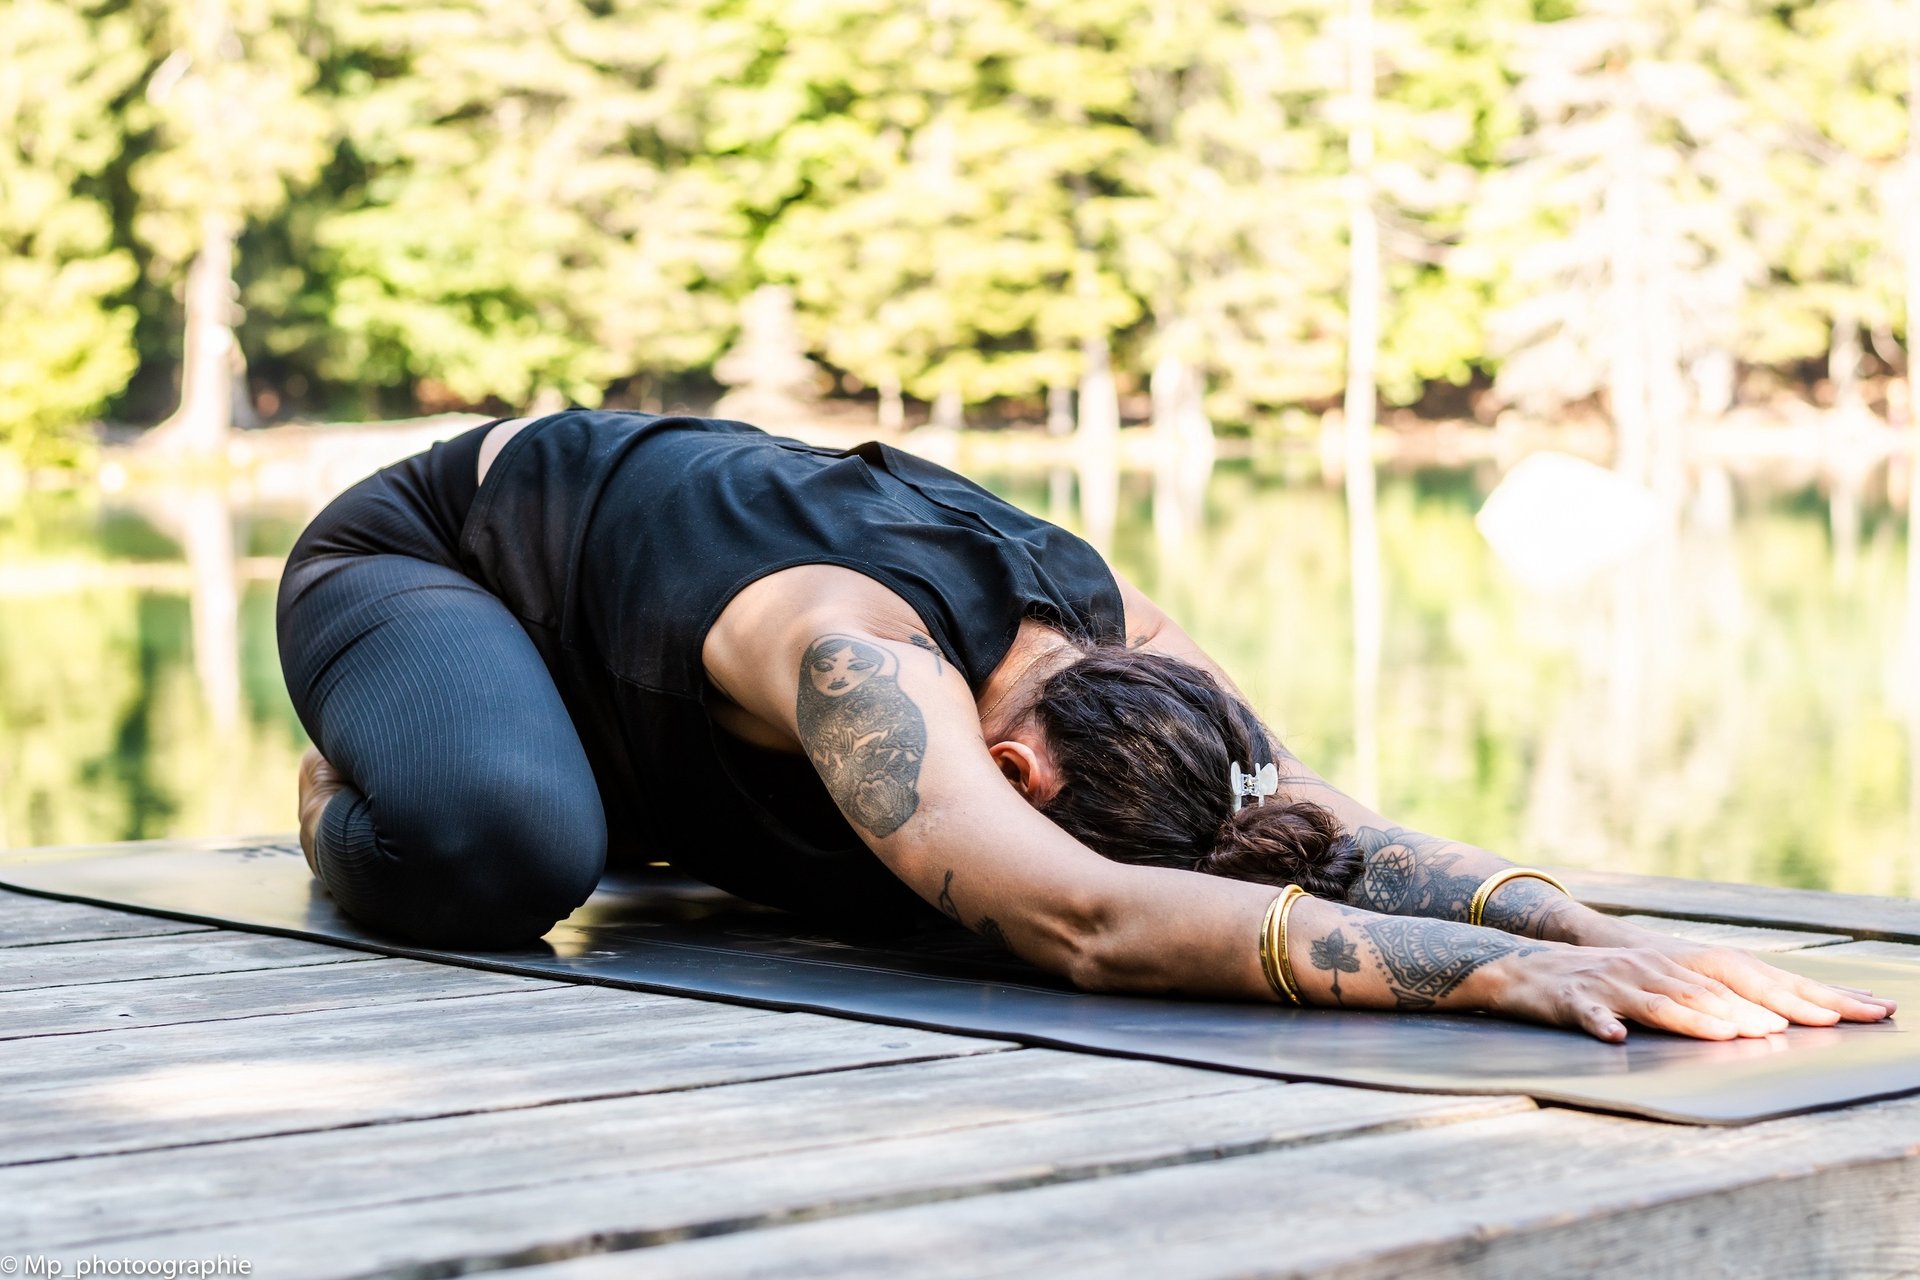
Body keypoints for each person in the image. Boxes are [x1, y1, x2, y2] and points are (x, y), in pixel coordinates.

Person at [278, 409, 1894, 1042]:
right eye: (1027, 810)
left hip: (663, 669)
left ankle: (596, 768)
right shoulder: (862, 661)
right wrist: (1504, 981)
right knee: (510, 852)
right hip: (436, 560)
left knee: (904, 888)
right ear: (1014, 767)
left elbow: (1316, 820)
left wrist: (1586, 926)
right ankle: (371, 772)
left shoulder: (1136, 647)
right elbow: (1087, 920)